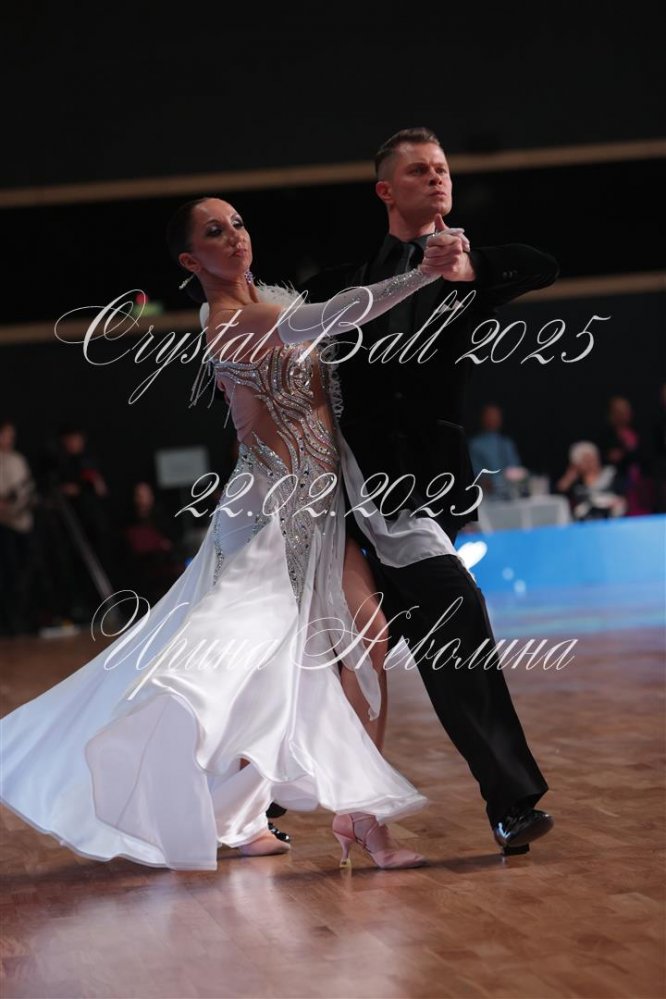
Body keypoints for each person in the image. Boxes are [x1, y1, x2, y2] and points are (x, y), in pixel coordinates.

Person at [0, 196, 469, 873]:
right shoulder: (227, 322)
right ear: (192, 260)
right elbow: (329, 317)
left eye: (239, 223)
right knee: (239, 666)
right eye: (215, 232)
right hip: (266, 517)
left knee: (366, 637)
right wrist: (422, 272)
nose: (235, 236)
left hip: (320, 507)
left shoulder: (269, 299)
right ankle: (255, 809)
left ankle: (342, 814)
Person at [300, 126, 558, 854]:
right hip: (342, 504)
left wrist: (468, 267)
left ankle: (509, 803)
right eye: (419, 170)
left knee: (446, 637)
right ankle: (256, 803)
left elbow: (544, 264)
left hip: (419, 500)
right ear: (386, 190)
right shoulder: (342, 283)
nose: (437, 177)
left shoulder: (469, 272)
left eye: (442, 168)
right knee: (337, 657)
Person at [0, 419, 36, 635]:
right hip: (4, 525)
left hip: (23, 522)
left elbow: (27, 488)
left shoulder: (17, 460)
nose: (8, 439)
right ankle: (10, 622)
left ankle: (25, 618)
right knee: (9, 574)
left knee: (25, 573)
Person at [469, 403, 527, 500]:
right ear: (483, 418)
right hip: (486, 496)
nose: (493, 419)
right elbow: (475, 472)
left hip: (510, 494)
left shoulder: (507, 443)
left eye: (496, 416)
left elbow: (515, 469)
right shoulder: (475, 445)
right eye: (490, 416)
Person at [556, 441, 626, 520]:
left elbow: (623, 496)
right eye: (585, 460)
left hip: (612, 519)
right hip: (584, 522)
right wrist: (569, 478)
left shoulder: (612, 474)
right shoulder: (577, 483)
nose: (590, 463)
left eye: (592, 458)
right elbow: (558, 498)